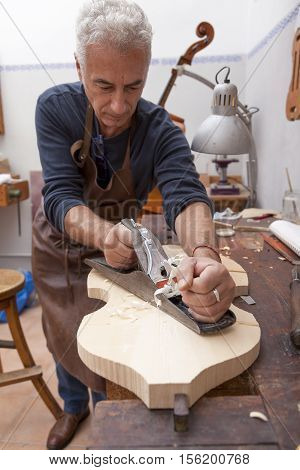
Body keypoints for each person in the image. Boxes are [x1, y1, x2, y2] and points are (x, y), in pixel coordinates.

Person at [32, 0, 235, 450]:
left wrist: (204, 255)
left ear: (147, 71)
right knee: (62, 329)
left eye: (134, 85)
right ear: (79, 66)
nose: (119, 105)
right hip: (58, 244)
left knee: (110, 336)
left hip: (120, 245)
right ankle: (72, 406)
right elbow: (61, 195)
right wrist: (103, 233)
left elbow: (186, 193)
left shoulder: (160, 129)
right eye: (102, 86)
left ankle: (109, 403)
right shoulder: (55, 109)